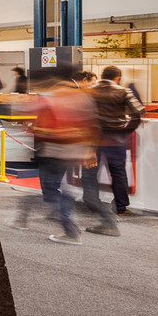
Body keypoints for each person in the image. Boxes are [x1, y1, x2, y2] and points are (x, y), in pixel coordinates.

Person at [25, 67, 97, 244]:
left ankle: (71, 229)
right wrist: (89, 150)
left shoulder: (50, 97)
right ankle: (64, 217)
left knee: (51, 190)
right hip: (72, 150)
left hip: (53, 150)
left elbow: (38, 124)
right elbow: (91, 124)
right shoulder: (81, 98)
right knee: (60, 186)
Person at [87, 65, 145, 217]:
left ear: (102, 75)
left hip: (94, 138)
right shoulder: (123, 91)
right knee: (118, 173)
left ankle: (92, 205)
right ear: (118, 78)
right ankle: (121, 207)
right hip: (115, 138)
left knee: (90, 172)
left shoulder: (90, 91)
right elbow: (138, 112)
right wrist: (125, 130)